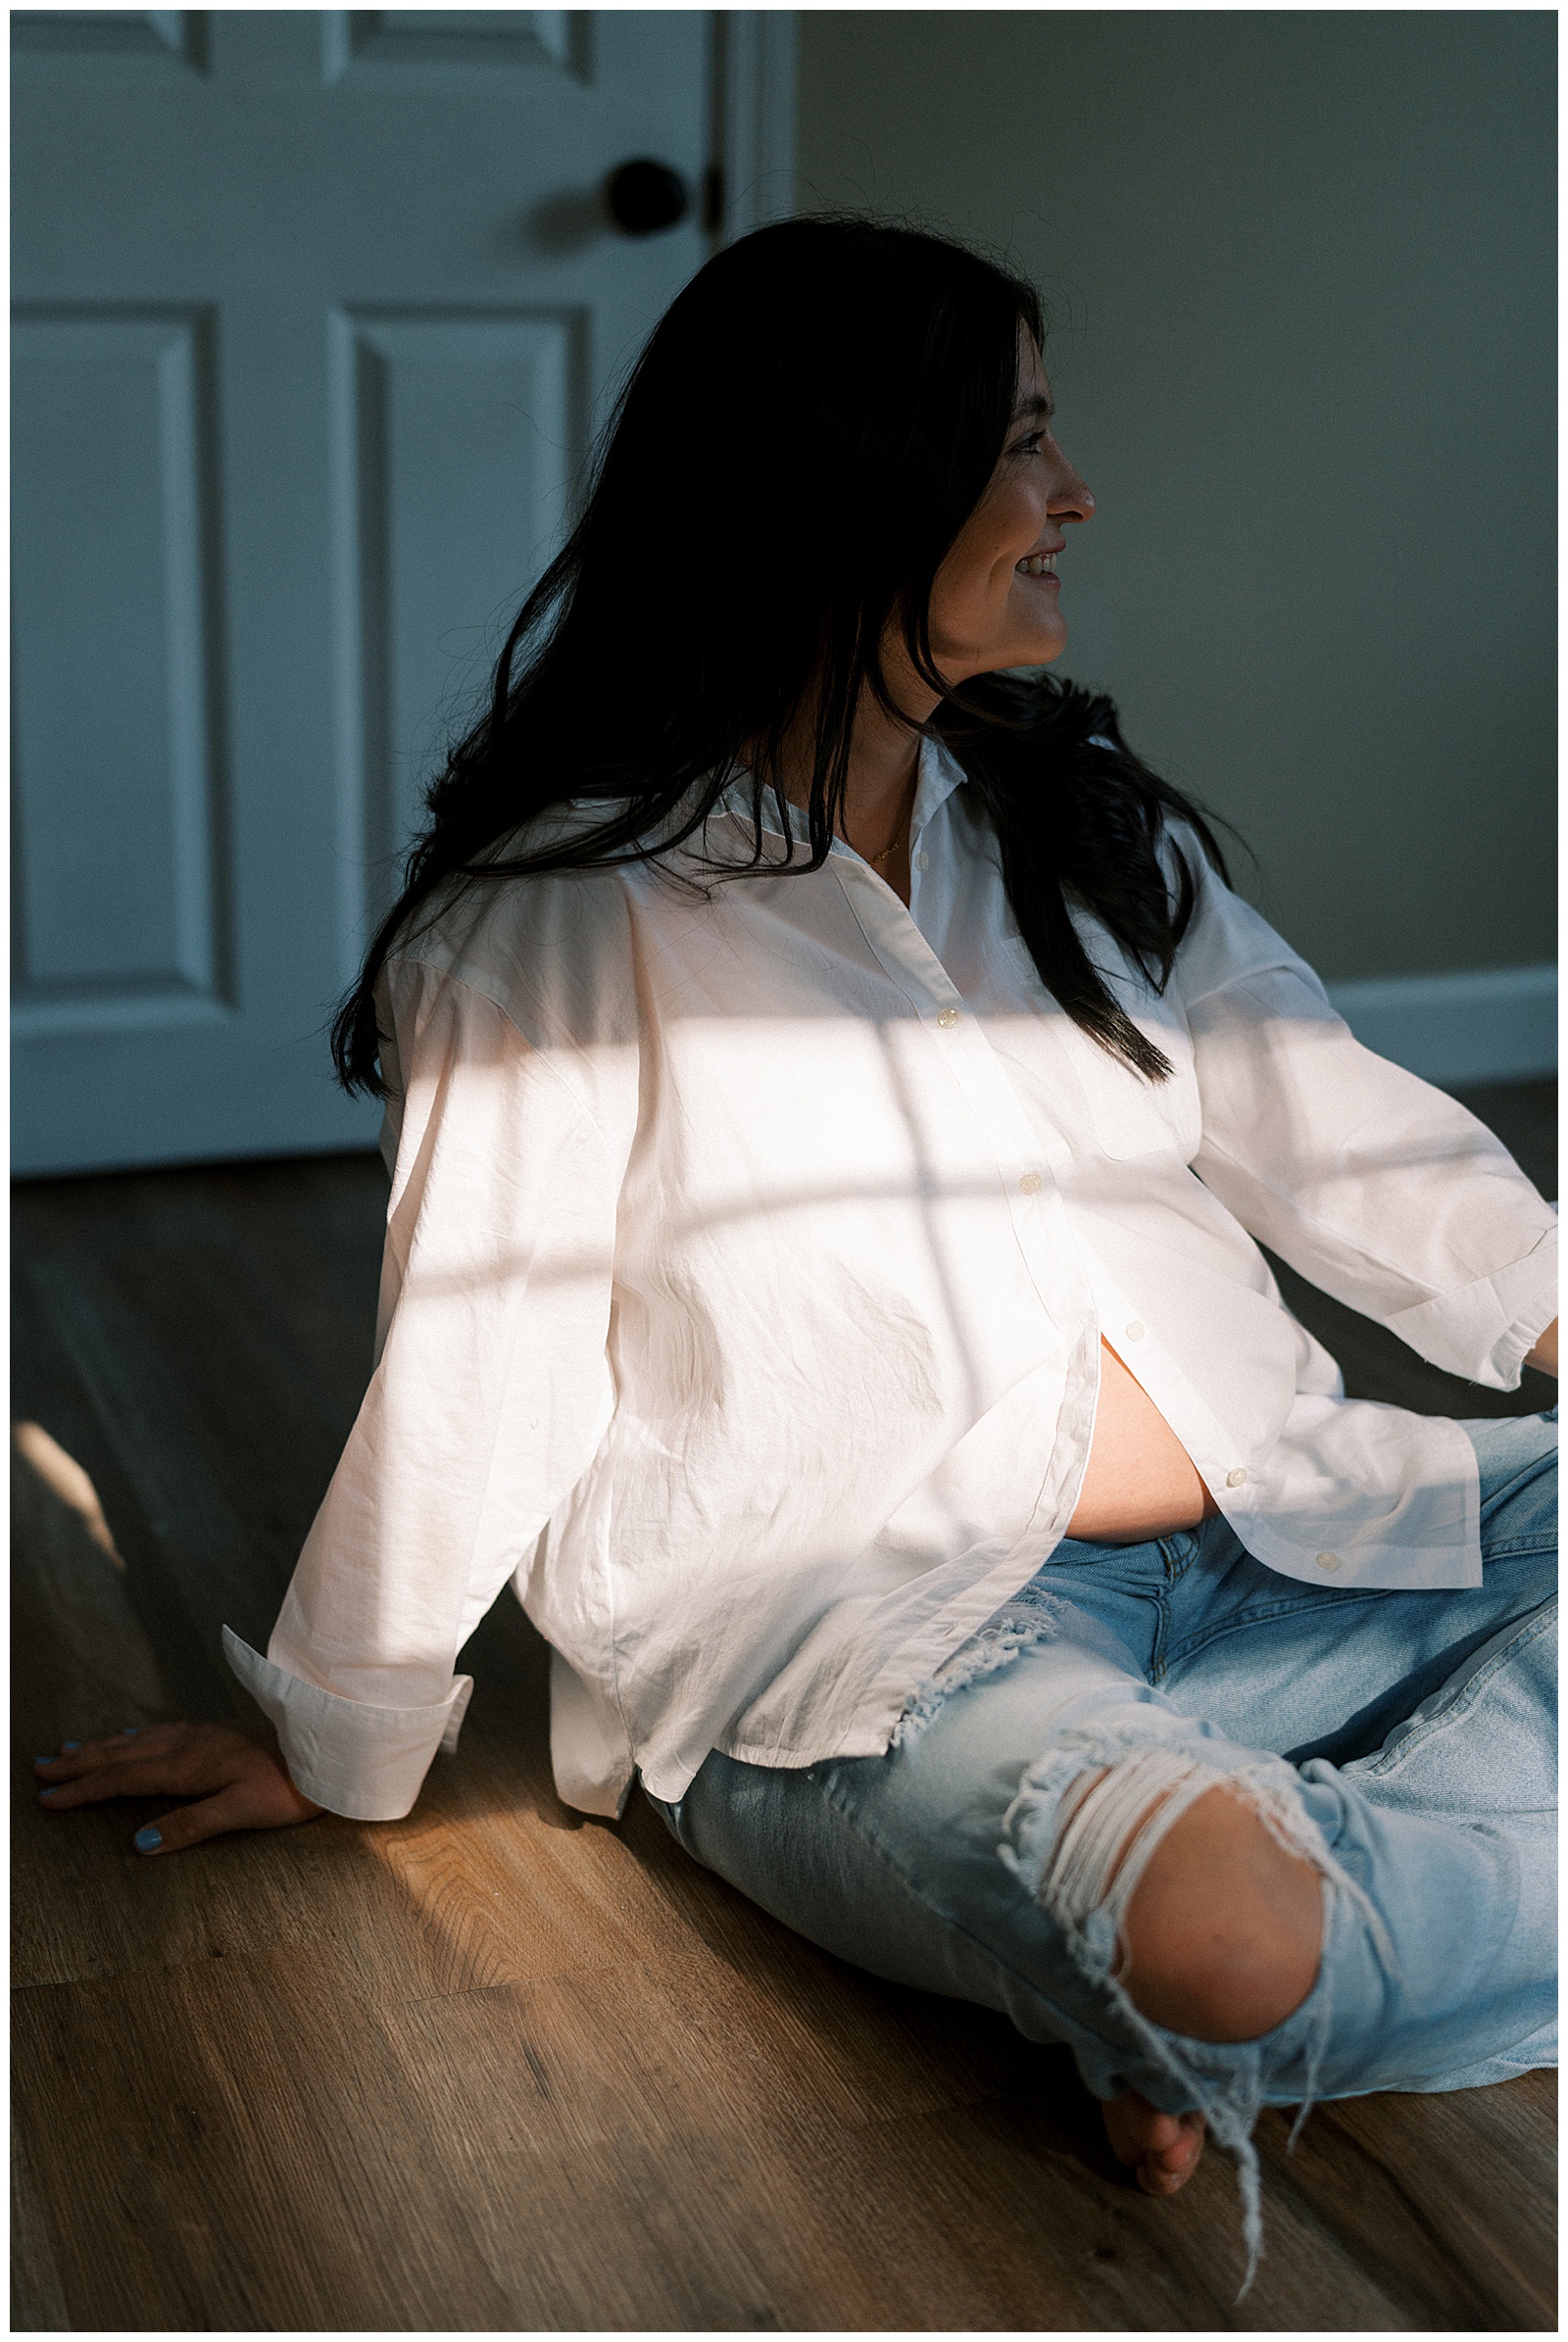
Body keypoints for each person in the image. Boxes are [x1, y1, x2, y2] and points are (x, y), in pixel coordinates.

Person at [36, 220, 1556, 2282]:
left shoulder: (1078, 825)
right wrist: (346, 1723)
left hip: (1293, 1535)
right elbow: (485, 1339)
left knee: (1241, 1932)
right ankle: (1222, 1958)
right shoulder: (563, 919)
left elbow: (1329, 1117)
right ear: (855, 487)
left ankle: (1236, 1997)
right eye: (1021, 442)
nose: (1073, 495)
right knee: (1219, 1927)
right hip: (883, 1664)